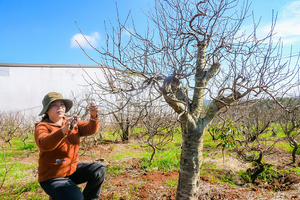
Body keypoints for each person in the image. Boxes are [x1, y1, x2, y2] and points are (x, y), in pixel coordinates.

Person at [34, 92, 106, 200]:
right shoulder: (42, 126)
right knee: (76, 198)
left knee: (99, 170)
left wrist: (93, 116)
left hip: (71, 170)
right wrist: (63, 131)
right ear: (47, 110)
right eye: (54, 105)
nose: (59, 107)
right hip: (52, 177)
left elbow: (90, 129)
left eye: (62, 104)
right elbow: (44, 144)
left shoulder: (69, 122)